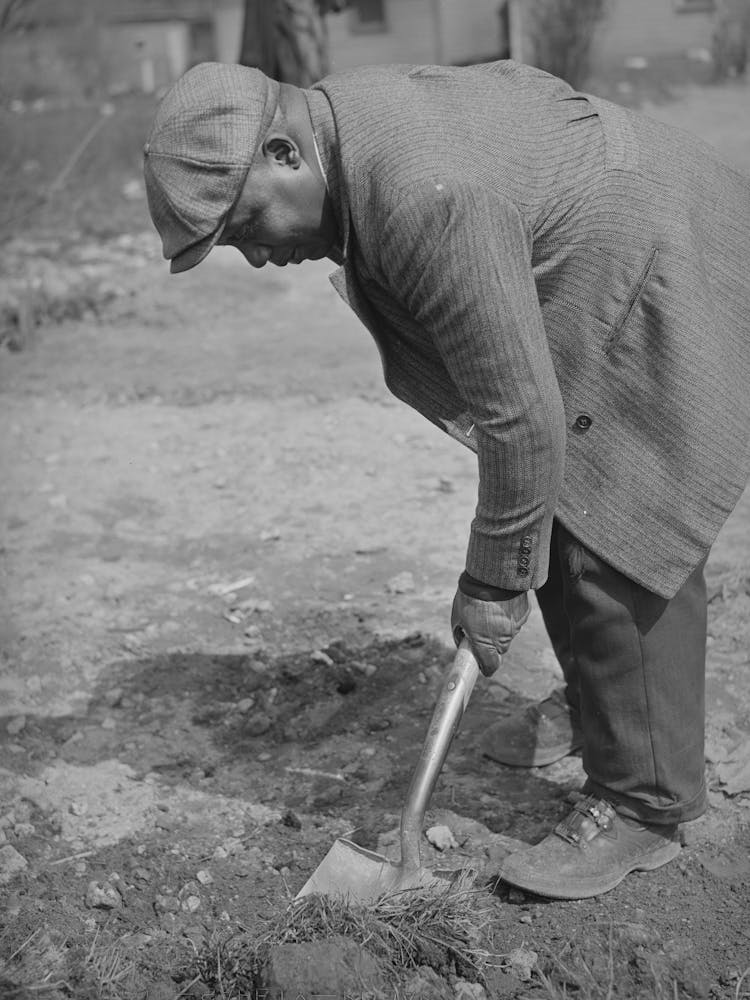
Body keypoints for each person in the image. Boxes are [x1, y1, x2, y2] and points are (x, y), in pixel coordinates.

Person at [143, 60, 750, 900]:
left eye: (244, 227)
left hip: (667, 251)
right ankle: (602, 707)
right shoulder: (349, 135)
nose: (254, 258)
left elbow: (520, 421)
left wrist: (490, 585)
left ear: (285, 153)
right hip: (619, 243)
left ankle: (644, 806)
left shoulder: (424, 190)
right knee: (557, 501)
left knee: (618, 522)